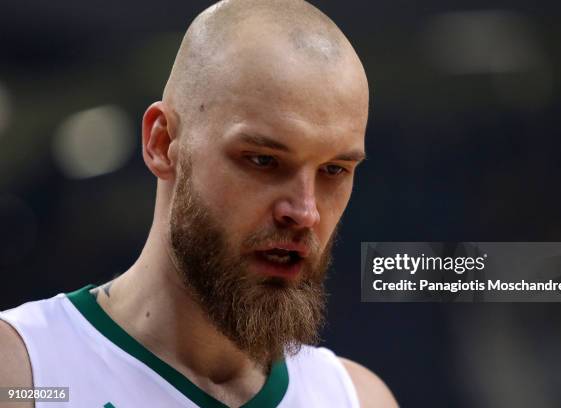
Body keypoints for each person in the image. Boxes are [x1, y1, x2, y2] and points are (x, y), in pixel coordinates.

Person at [0, 0, 398, 406]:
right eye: (263, 160)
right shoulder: (19, 374)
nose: (305, 211)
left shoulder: (358, 398)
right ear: (163, 142)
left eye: (334, 170)